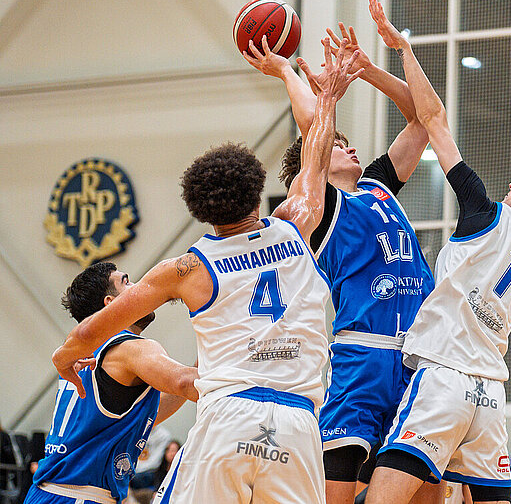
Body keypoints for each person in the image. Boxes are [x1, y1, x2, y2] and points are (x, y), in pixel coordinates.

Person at [51, 41, 363, 504]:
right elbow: (316, 149)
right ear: (258, 194)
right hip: (299, 425)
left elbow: (88, 335)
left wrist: (63, 359)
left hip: (228, 415)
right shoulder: (298, 221)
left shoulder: (184, 269)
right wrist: (322, 93)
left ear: (201, 211)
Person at [365, 0, 511, 504]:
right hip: (490, 397)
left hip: (443, 375)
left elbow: (434, 118)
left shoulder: (486, 210)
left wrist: (406, 51)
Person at [243, 23, 437, 504]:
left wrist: (371, 71)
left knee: (426, 492)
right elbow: (315, 128)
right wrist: (287, 71)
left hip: (421, 354)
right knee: (338, 485)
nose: (350, 146)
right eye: (338, 144)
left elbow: (421, 120)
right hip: (364, 355)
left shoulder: (377, 187)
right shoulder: (323, 208)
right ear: (318, 161)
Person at [26, 262, 198, 504]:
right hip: (79, 495)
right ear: (110, 303)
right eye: (127, 282)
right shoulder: (130, 348)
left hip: (48, 493)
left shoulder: (81, 351)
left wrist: (208, 351)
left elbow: (146, 416)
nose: (138, 287)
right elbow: (185, 383)